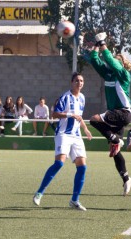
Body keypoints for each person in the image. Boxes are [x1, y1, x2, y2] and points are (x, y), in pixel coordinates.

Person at [33, 72, 92, 211]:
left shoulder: (82, 98)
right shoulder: (65, 97)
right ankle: (40, 192)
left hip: (76, 136)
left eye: (82, 81)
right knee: (59, 163)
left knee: (82, 167)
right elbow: (54, 114)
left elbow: (80, 117)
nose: (80, 83)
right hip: (63, 134)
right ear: (72, 82)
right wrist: (69, 114)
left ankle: (74, 200)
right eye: (77, 80)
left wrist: (85, 129)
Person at [89, 32, 131, 196]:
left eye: (117, 60)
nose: (113, 61)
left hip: (123, 113)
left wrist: (102, 42)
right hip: (117, 116)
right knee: (114, 150)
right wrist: (96, 44)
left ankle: (115, 139)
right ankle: (126, 179)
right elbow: (95, 60)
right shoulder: (108, 74)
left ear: (120, 64)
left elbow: (109, 60)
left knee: (93, 119)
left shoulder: (123, 75)